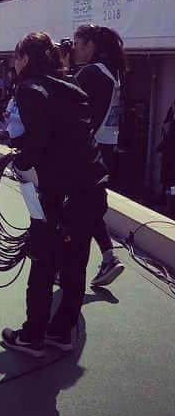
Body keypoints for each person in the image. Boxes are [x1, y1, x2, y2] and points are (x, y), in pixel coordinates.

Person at [0, 32, 109, 356]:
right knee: (75, 265)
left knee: (44, 263)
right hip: (91, 187)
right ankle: (61, 332)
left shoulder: (29, 89)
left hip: (60, 195)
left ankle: (32, 336)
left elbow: (39, 141)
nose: (14, 63)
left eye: (17, 57)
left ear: (26, 59)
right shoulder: (72, 87)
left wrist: (19, 161)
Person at [72, 24, 126, 288]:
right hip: (106, 150)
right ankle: (107, 257)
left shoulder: (91, 73)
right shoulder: (112, 73)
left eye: (77, 44)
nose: (72, 49)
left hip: (88, 154)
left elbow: (73, 115)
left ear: (90, 45)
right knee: (91, 208)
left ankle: (103, 259)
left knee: (79, 210)